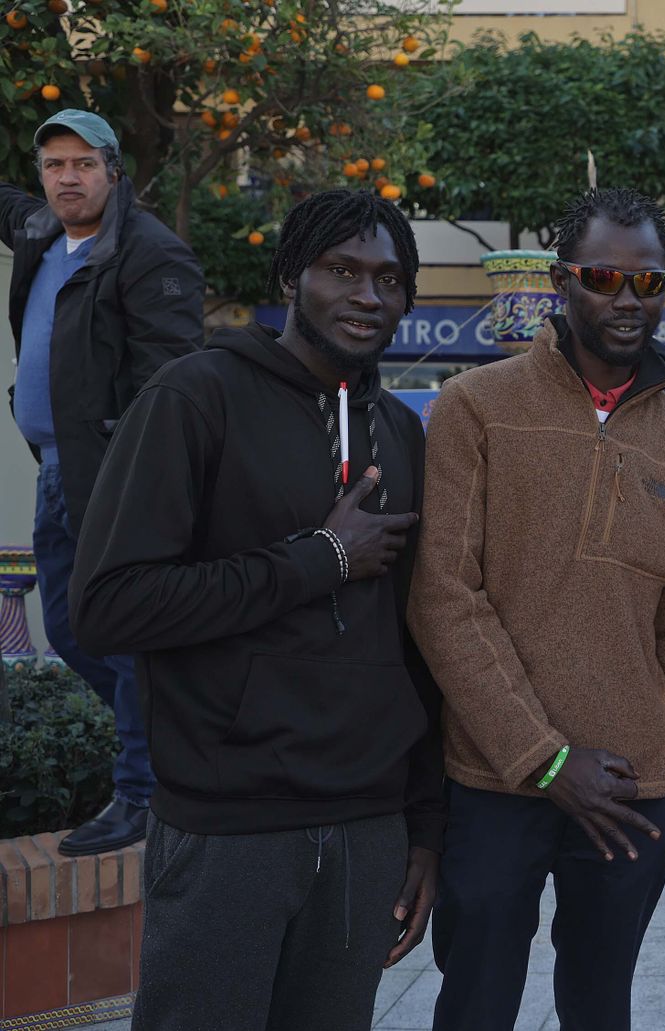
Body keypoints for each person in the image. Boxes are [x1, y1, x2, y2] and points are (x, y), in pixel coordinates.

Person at [69, 190, 444, 1030]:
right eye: (341, 270)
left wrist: (425, 826)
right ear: (290, 277)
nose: (367, 295)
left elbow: (415, 640)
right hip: (228, 826)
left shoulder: (400, 430)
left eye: (389, 279)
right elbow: (108, 606)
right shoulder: (194, 396)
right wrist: (321, 558)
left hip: (366, 827)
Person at [409, 187, 665, 1031]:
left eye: (648, 281)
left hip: (632, 790)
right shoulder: (474, 405)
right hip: (496, 778)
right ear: (561, 281)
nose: (627, 299)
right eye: (604, 278)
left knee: (598, 1007)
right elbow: (443, 596)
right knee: (475, 1006)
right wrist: (544, 759)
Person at [2, 109, 203, 856]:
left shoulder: (151, 253)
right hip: (55, 471)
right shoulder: (40, 230)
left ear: (113, 173)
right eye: (54, 165)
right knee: (69, 631)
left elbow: (170, 380)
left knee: (121, 636)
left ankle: (143, 794)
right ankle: (174, 740)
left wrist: (135, 474)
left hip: (111, 479)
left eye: (84, 164)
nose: (68, 178)